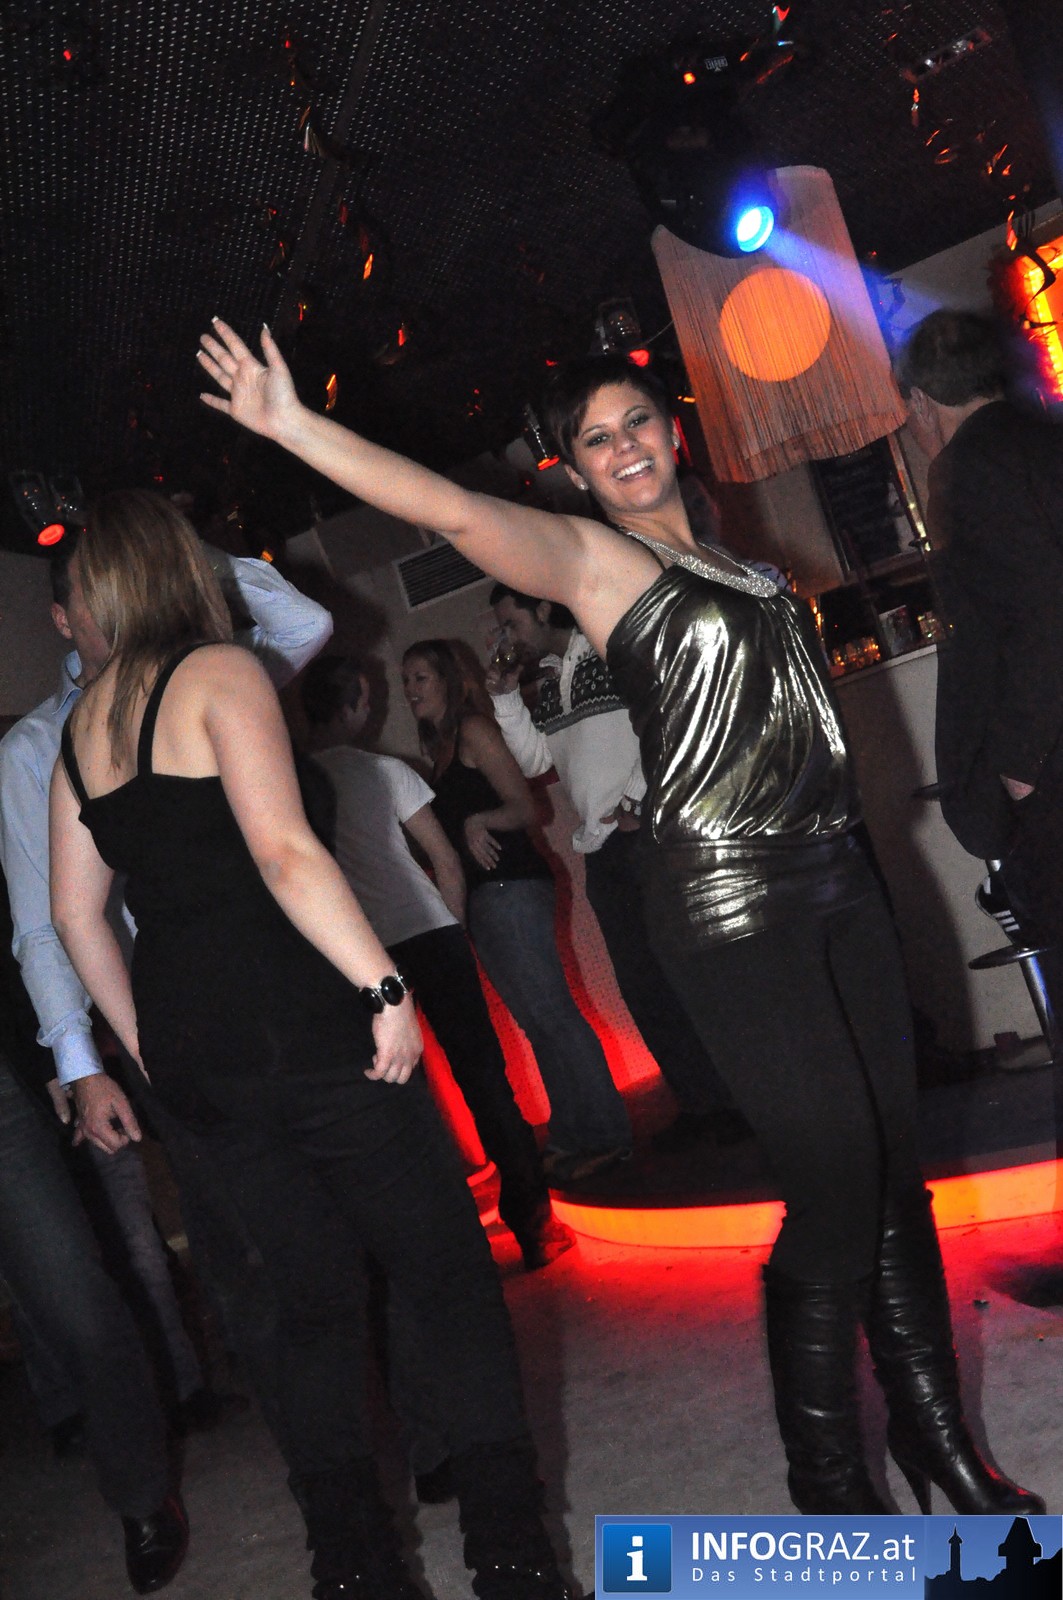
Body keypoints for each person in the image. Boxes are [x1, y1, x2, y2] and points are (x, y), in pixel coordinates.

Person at [198, 319, 1045, 1518]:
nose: (624, 446)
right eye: (595, 440)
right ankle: (829, 1485)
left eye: (637, 420)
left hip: (838, 879)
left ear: (672, 431)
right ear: (577, 469)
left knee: (894, 1174)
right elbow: (452, 507)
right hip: (731, 902)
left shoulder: (743, 564)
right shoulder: (598, 563)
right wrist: (293, 425)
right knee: (833, 1188)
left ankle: (938, 1443)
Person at [47, 489, 577, 1600]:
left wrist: (146, 1044)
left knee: (307, 1313)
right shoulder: (219, 673)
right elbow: (285, 852)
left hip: (198, 1049)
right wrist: (385, 985)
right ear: (181, 569)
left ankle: (353, 1570)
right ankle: (512, 1560)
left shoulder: (82, 731)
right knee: (443, 1276)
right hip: (304, 1017)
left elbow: (73, 914)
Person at [0, 528, 333, 1454]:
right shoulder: (35, 746)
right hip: (165, 1019)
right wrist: (85, 1063)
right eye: (94, 591)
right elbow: (47, 920)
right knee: (242, 1244)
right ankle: (317, 1452)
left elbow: (305, 624)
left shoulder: (208, 673)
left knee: (348, 1207)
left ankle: (413, 1432)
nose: (115, 605)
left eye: (129, 579)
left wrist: (195, 556)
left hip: (282, 980)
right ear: (60, 618)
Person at [300, 651, 573, 1272]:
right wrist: (453, 932)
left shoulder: (289, 785)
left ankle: (450, 1248)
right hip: (428, 932)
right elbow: (446, 861)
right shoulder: (384, 769)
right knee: (485, 1078)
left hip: (360, 955)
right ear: (355, 705)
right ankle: (534, 1227)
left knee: (403, 1101)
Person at [487, 580, 751, 1151]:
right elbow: (536, 762)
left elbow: (662, 720)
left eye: (513, 622)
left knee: (689, 971)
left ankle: (740, 1099)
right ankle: (700, 1104)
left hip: (649, 834)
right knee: (642, 983)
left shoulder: (606, 646)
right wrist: (506, 700)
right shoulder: (550, 675)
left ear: (543, 606)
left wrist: (637, 801)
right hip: (603, 846)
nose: (508, 637)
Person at [402, 637, 632, 1180]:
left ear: (448, 680)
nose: (409, 690)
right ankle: (577, 1134)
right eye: (406, 680)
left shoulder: (474, 731)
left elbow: (527, 807)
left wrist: (478, 821)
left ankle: (606, 1135)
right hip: (489, 895)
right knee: (538, 1022)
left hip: (512, 888)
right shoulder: (440, 750)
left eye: (420, 678)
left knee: (551, 1016)